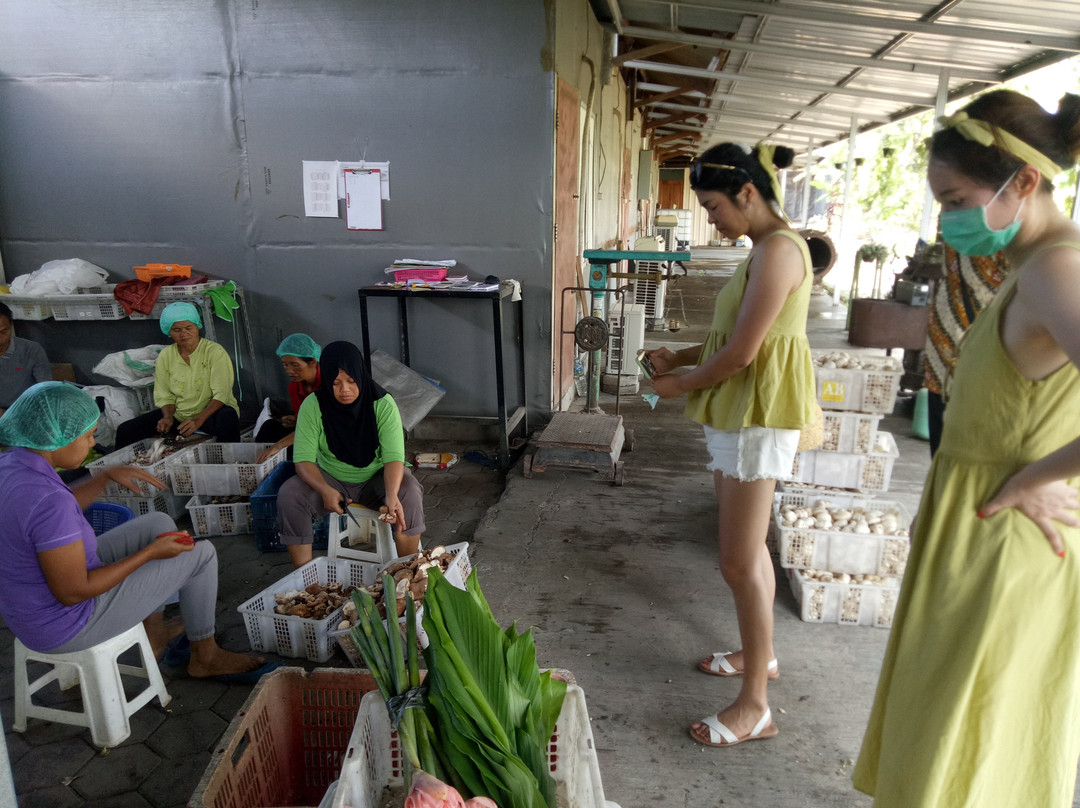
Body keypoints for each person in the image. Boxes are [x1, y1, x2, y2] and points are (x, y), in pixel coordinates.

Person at [854, 90, 1080, 807]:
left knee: (970, 730)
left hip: (1004, 538)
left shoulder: (1056, 269)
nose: (948, 219)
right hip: (977, 522)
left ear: (1024, 181)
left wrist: (1034, 478)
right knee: (948, 722)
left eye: (957, 200)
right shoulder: (1029, 265)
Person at [645, 141, 816, 748]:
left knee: (738, 561)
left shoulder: (780, 251)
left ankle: (755, 705)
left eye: (714, 207)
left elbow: (744, 354)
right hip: (740, 412)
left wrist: (680, 384)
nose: (711, 220)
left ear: (748, 193)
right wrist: (681, 356)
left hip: (756, 416)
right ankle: (758, 655)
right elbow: (735, 335)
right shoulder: (763, 250)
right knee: (749, 552)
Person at [0, 381, 267, 680]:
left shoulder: (11, 464)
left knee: (158, 524)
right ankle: (205, 656)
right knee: (201, 554)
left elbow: (48, 518)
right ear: (57, 438)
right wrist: (149, 554)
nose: (93, 444)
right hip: (66, 624)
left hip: (30, 606)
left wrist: (104, 477)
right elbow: (74, 592)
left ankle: (155, 633)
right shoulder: (49, 501)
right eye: (87, 436)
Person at [277, 341, 425, 568]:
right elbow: (303, 461)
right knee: (290, 494)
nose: (344, 389)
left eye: (351, 381)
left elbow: (393, 458)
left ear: (361, 375)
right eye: (335, 383)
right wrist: (325, 490)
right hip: (331, 479)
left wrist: (391, 495)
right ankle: (305, 577)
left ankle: (409, 570)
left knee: (409, 492)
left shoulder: (382, 404)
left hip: (376, 478)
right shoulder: (313, 406)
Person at [114, 301, 241, 449]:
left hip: (211, 413)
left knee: (228, 418)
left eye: (189, 328)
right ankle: (123, 464)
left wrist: (198, 420)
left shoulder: (214, 352)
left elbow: (221, 394)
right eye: (177, 330)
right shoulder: (166, 356)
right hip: (180, 414)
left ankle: (231, 460)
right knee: (126, 430)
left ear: (197, 326)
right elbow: (165, 395)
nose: (184, 333)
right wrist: (168, 418)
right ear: (169, 332)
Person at [922, 245, 1010, 455]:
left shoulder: (964, 237)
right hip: (954, 355)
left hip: (963, 351)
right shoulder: (983, 239)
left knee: (958, 445)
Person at [254, 333, 321, 463]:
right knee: (268, 427)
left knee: (291, 449)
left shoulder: (329, 384)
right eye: (285, 364)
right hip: (307, 431)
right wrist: (296, 420)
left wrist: (278, 446)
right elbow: (305, 421)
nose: (289, 370)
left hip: (325, 434)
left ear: (312, 361)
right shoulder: (294, 387)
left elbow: (316, 426)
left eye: (295, 365)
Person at [0, 300, 51, 417]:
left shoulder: (31, 350)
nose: (0, 340)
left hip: (27, 414)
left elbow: (45, 391)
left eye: (4, 332)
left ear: (11, 325)